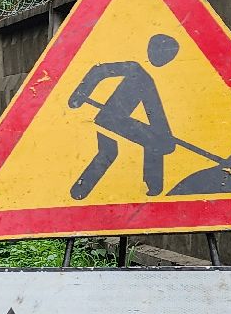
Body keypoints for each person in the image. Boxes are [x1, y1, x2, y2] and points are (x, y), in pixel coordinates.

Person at [66, 33, 181, 199]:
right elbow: (99, 71)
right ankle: (153, 185)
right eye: (162, 53)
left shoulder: (146, 78)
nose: (164, 58)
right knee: (115, 151)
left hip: (116, 120)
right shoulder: (136, 70)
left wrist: (165, 135)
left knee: (109, 152)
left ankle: (79, 192)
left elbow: (155, 112)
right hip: (111, 118)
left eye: (168, 55)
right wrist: (79, 95)